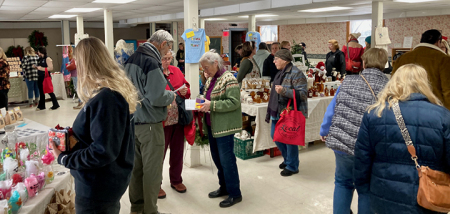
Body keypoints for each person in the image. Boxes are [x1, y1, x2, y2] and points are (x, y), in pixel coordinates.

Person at [49, 37, 138, 214]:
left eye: (76, 60)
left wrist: (64, 158)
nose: (74, 64)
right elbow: (106, 137)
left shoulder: (107, 98)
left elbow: (103, 151)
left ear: (86, 63)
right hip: (103, 185)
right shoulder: (109, 94)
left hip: (97, 188)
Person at [354, 64, 450, 214]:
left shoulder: (375, 114)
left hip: (383, 194)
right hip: (426, 197)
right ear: (424, 83)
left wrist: (364, 189)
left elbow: (362, 158)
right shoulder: (443, 116)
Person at [320, 48, 389, 214]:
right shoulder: (389, 87)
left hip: (342, 143)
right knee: (365, 188)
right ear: (384, 64)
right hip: (370, 147)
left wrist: (324, 130)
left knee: (343, 182)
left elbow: (332, 109)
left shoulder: (348, 82)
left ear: (364, 63)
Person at [124, 30, 176, 214]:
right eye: (169, 47)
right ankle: (150, 211)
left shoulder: (131, 59)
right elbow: (157, 97)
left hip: (132, 124)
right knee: (152, 172)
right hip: (151, 126)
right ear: (163, 44)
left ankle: (137, 209)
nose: (168, 52)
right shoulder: (151, 62)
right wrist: (172, 94)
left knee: (136, 171)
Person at [198, 51, 243, 208]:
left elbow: (234, 102)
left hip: (224, 127)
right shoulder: (212, 78)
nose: (204, 71)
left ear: (215, 63)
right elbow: (209, 96)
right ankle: (224, 187)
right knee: (217, 159)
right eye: (203, 68)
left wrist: (212, 105)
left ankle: (235, 193)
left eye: (206, 67)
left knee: (227, 160)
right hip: (213, 125)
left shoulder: (229, 79)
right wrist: (201, 101)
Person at [265, 49, 308, 177]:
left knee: (290, 139)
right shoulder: (280, 72)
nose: (274, 61)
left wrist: (284, 91)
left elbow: (303, 94)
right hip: (277, 110)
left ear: (284, 60)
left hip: (289, 111)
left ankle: (292, 166)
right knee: (276, 136)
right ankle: (288, 159)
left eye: (276, 59)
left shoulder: (296, 73)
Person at [392, 29, 450, 110]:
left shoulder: (402, 58)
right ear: (438, 42)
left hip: (404, 107)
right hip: (434, 109)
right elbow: (447, 91)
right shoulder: (444, 59)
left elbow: (394, 84)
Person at [159, 50, 191, 198]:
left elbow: (187, 86)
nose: (167, 61)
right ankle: (156, 183)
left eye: (169, 58)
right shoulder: (154, 73)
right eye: (164, 58)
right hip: (162, 121)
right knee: (159, 154)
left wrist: (186, 91)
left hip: (178, 119)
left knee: (178, 151)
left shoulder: (176, 70)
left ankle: (176, 180)